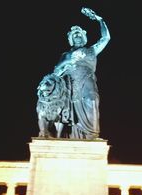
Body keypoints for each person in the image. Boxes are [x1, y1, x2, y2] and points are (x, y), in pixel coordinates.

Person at [53, 7, 110, 139]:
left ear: (84, 36)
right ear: (71, 39)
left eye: (79, 34)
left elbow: (106, 37)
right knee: (74, 112)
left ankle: (91, 135)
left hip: (89, 83)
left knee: (92, 101)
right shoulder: (66, 55)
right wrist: (68, 62)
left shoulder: (91, 50)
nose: (77, 36)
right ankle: (76, 136)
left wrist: (99, 19)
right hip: (73, 86)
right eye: (74, 35)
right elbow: (56, 73)